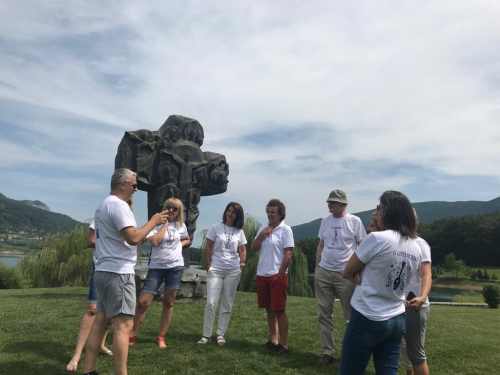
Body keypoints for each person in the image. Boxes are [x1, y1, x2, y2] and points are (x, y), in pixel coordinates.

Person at [82, 168, 168, 375]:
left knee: (101, 322)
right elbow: (134, 238)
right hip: (118, 273)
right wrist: (154, 222)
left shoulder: (103, 205)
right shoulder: (119, 206)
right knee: (124, 326)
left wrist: (140, 235)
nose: (136, 189)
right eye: (134, 185)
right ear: (122, 184)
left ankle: (88, 370)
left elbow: (123, 238)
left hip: (103, 271)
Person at [340, 191, 422, 375]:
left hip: (367, 315)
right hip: (397, 318)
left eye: (380, 208)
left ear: (388, 211)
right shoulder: (415, 246)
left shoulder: (377, 239)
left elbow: (347, 271)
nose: (377, 212)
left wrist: (357, 273)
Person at [67, 198, 134, 372]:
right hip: (109, 269)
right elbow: (90, 239)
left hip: (107, 269)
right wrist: (111, 241)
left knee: (103, 318)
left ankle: (92, 362)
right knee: (101, 314)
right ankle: (77, 354)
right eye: (132, 187)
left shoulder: (118, 215)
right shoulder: (108, 213)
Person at [129, 198, 190, 349]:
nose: (171, 211)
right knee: (143, 302)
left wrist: (179, 246)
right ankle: (132, 334)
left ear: (179, 212)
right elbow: (154, 242)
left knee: (168, 302)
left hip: (175, 267)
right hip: (157, 267)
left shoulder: (182, 226)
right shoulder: (156, 225)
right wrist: (165, 224)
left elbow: (187, 239)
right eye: (169, 207)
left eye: (175, 209)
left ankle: (161, 337)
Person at [315, 190, 367, 365]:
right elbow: (321, 245)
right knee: (324, 313)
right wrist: (317, 268)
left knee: (350, 316)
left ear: (343, 204)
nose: (330, 204)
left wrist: (358, 271)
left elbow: (362, 247)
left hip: (346, 274)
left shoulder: (354, 221)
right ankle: (327, 351)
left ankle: (350, 351)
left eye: (334, 202)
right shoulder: (325, 221)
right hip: (324, 271)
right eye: (329, 201)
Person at [197, 202, 247, 346]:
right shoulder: (216, 228)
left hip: (233, 271)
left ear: (237, 216)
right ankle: (206, 335)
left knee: (227, 303)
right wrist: (208, 266)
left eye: (233, 212)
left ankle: (220, 334)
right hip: (216, 270)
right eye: (228, 211)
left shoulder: (239, 231)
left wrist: (241, 266)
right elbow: (208, 247)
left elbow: (243, 250)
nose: (230, 214)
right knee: (211, 302)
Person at [251, 199, 294, 356]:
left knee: (279, 310)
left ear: (280, 214)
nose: (269, 214)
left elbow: (288, 253)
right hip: (262, 274)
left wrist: (280, 273)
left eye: (273, 212)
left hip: (276, 275)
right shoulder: (263, 229)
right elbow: (253, 248)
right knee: (269, 309)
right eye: (268, 211)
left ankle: (284, 344)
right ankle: (273, 340)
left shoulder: (286, 230)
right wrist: (262, 235)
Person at [400, 210, 432, 375]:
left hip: (414, 305)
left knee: (415, 353)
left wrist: (422, 297)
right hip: (396, 304)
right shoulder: (395, 242)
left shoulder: (420, 244)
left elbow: (427, 274)